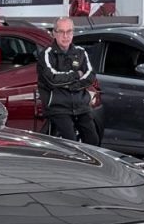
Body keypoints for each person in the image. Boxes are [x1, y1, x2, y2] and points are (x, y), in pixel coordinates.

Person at [37, 17, 100, 145]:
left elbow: (90, 76)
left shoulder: (81, 52)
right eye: (61, 32)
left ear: (73, 33)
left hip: (81, 105)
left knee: (93, 141)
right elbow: (52, 79)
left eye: (69, 31)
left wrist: (69, 86)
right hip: (58, 107)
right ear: (54, 33)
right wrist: (76, 74)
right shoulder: (46, 54)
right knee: (70, 143)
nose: (65, 36)